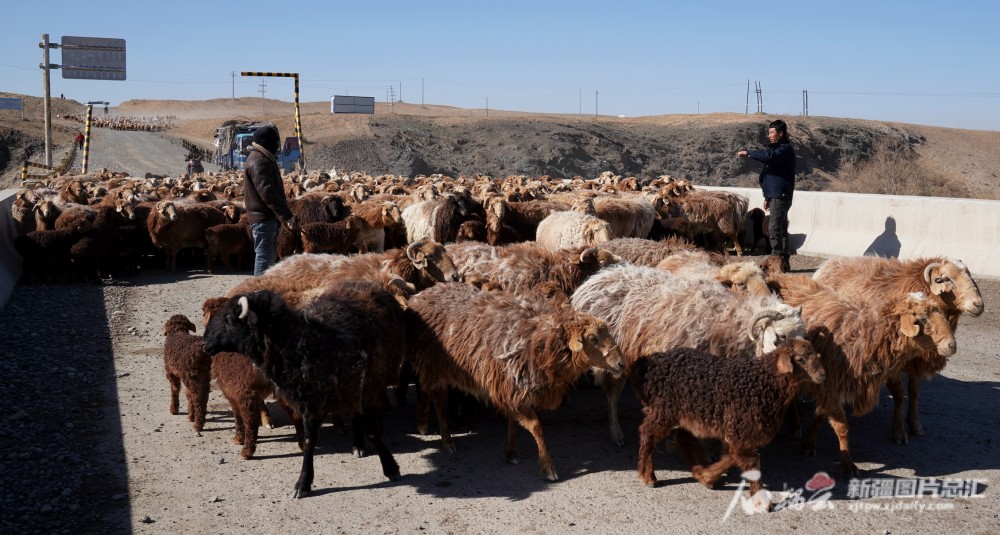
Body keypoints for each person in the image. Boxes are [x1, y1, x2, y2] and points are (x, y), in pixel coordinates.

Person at [737, 119, 795, 272]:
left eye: (771, 133)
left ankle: (776, 262)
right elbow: (772, 175)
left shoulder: (784, 150)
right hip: (776, 195)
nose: (769, 136)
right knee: (781, 229)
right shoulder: (778, 150)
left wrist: (749, 153)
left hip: (781, 195)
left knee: (774, 229)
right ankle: (784, 264)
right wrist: (767, 197)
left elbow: (770, 157)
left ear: (780, 133)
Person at [243, 125, 296, 276]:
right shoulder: (260, 162)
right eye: (275, 143)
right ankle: (259, 292)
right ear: (268, 143)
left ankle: (265, 289)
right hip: (263, 218)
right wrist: (286, 216)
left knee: (269, 255)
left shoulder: (259, 158)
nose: (277, 147)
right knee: (264, 256)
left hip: (265, 218)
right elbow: (268, 193)